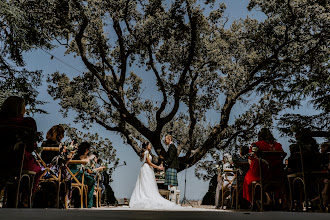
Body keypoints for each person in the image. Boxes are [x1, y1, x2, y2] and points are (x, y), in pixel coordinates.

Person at [0, 96, 42, 207]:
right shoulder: (26, 122)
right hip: (17, 160)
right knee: (37, 169)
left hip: (1, 159)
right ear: (20, 108)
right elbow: (31, 146)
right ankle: (24, 199)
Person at [129, 142, 182, 209]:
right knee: (146, 183)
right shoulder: (146, 153)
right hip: (146, 168)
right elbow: (149, 163)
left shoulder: (147, 153)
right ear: (146, 146)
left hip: (148, 169)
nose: (150, 146)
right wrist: (158, 167)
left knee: (148, 183)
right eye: (149, 145)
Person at [243, 128, 284, 206]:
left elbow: (250, 161)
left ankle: (253, 201)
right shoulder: (278, 146)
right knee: (265, 178)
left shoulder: (256, 145)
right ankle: (271, 198)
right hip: (276, 173)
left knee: (247, 177)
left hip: (261, 172)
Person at [69, 142, 104, 208]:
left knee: (83, 184)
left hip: (71, 178)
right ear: (86, 150)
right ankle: (88, 204)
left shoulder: (75, 157)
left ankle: (78, 203)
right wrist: (99, 169)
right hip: (80, 178)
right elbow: (90, 171)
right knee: (91, 181)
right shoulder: (86, 158)